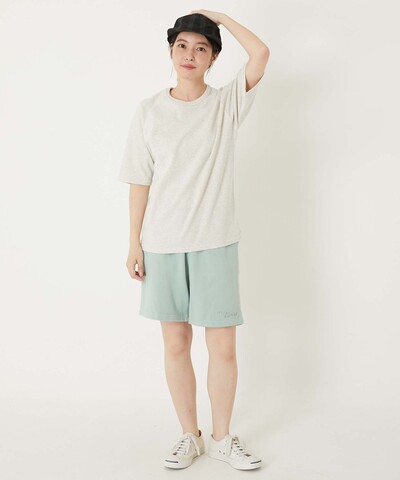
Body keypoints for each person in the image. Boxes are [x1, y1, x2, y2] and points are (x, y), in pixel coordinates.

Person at [118, 10, 270, 471]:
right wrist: (134, 243)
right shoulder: (149, 111)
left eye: (201, 48)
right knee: (176, 344)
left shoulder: (226, 105)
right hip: (162, 243)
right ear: (171, 51)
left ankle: (223, 438)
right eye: (182, 45)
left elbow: (260, 53)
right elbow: (139, 181)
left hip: (216, 241)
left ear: (213, 58)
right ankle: (191, 435)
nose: (190, 54)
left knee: (223, 346)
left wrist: (219, 17)